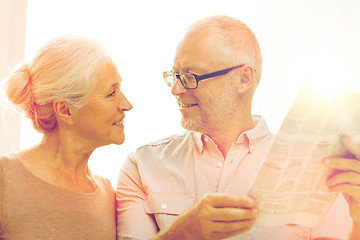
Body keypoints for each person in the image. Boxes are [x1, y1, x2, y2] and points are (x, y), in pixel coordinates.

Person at [116, 15, 360, 239]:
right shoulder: (141, 166)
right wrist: (185, 232)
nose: (176, 89)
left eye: (191, 76)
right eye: (175, 75)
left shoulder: (317, 169)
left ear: (244, 79)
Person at [0, 35, 132, 239]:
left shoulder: (109, 196)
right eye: (111, 93)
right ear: (65, 110)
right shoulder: (4, 179)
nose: (127, 105)